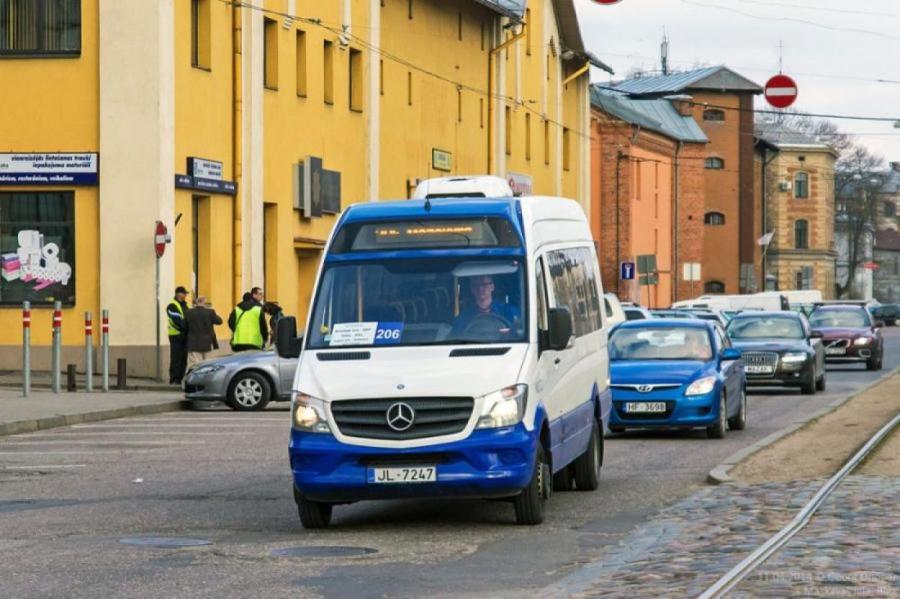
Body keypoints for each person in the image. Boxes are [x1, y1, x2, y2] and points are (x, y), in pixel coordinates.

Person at [451, 275, 520, 337]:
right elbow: (456, 337)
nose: (480, 289)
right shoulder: (463, 317)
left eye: (484, 284)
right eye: (475, 285)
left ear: (492, 287)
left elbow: (518, 334)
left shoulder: (510, 312)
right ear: (472, 289)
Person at [185, 296, 223, 368]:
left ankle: (195, 379)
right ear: (204, 303)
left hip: (193, 343)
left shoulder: (189, 312)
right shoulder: (210, 312)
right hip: (207, 343)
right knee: (208, 365)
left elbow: (184, 326)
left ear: (196, 303)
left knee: (195, 365)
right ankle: (206, 379)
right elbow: (220, 321)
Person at [166, 286, 190, 384]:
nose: (185, 295)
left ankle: (180, 378)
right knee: (176, 358)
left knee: (183, 358)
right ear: (178, 294)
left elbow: (188, 318)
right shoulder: (172, 305)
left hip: (185, 335)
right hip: (176, 335)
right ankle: (174, 379)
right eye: (184, 293)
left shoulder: (185, 305)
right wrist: (185, 327)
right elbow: (177, 320)